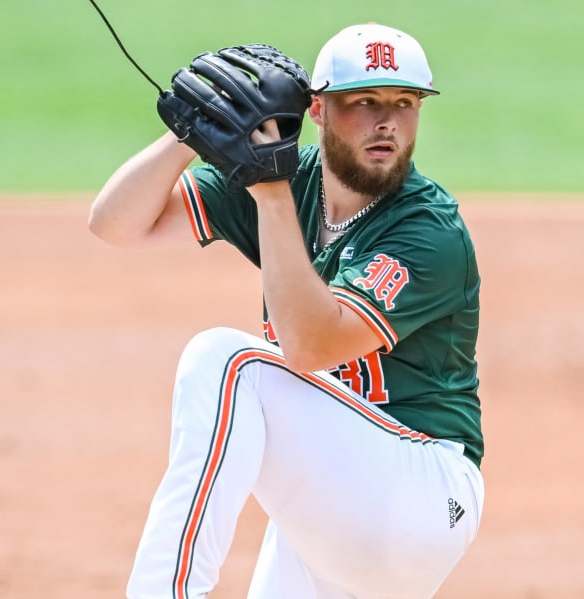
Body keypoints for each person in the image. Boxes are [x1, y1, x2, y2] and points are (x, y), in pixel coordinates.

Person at [89, 22, 484, 599]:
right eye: (363, 102)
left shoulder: (427, 230)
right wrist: (190, 131)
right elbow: (115, 224)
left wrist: (267, 191)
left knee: (228, 364)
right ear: (318, 111)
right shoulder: (291, 181)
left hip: (420, 493)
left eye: (405, 103)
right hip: (338, 499)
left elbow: (310, 347)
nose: (387, 123)